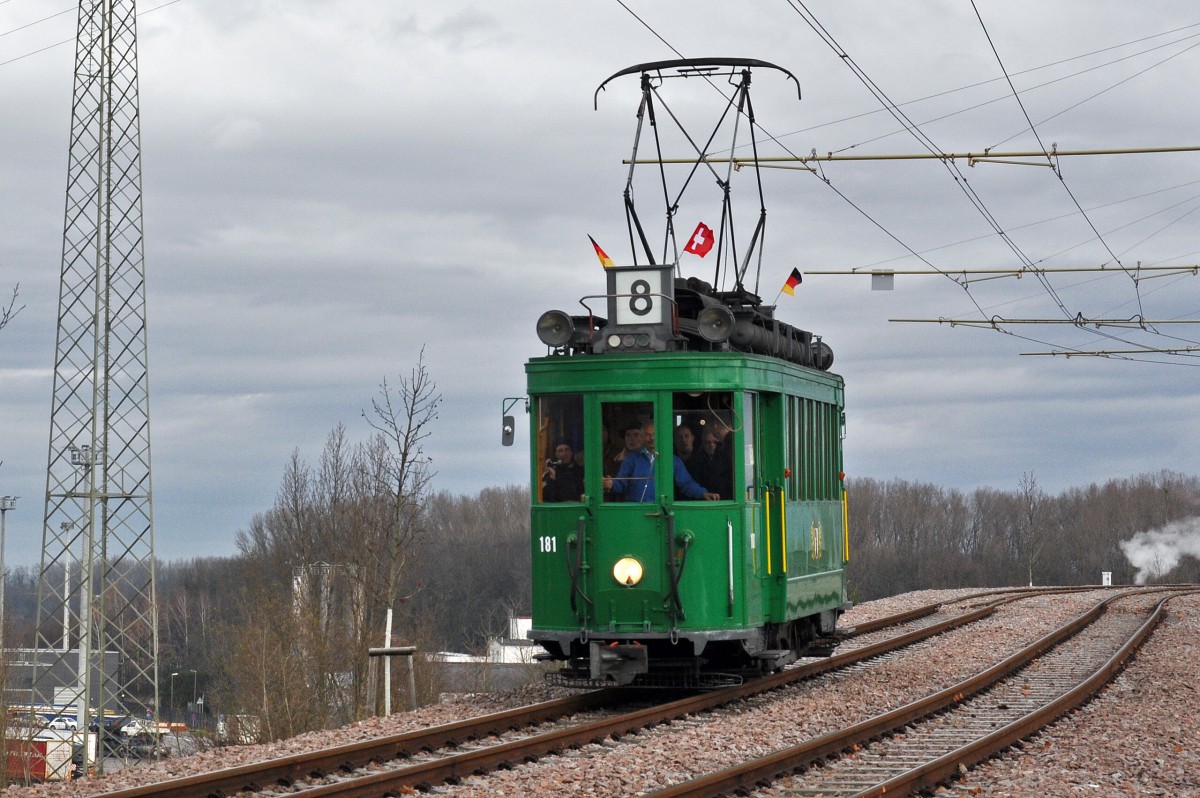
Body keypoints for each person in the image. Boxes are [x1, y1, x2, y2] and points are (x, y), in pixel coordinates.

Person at [604, 421, 718, 502]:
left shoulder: (672, 460)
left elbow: (686, 484)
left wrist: (703, 493)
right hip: (636, 512)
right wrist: (611, 484)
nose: (652, 438)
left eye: (655, 434)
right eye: (648, 435)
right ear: (642, 437)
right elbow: (621, 483)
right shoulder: (632, 459)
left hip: (662, 512)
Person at [689, 427, 733, 500]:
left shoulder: (725, 459)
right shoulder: (696, 461)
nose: (712, 445)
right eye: (708, 442)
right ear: (703, 444)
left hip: (725, 499)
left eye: (714, 442)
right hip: (705, 500)